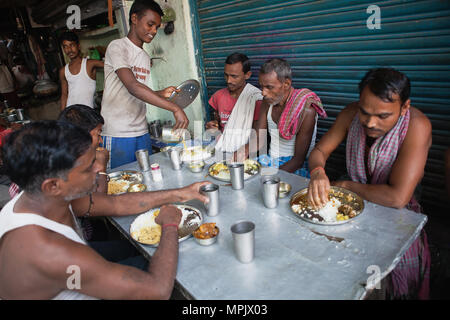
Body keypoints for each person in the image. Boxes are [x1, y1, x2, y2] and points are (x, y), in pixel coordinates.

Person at [0, 121, 209, 299]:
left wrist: (181, 193)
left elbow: (116, 204)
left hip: (75, 276)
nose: (99, 169)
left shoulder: (45, 197)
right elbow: (157, 291)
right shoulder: (46, 250)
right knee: (183, 270)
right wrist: (171, 224)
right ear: (53, 185)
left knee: (136, 250)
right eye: (88, 167)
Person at [307, 68, 432, 299]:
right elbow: (319, 151)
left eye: (383, 116)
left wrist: (345, 186)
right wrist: (316, 172)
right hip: (352, 202)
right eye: (365, 113)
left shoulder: (417, 126)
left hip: (397, 213)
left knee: (391, 275)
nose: (370, 123)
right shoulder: (350, 114)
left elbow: (397, 198)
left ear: (404, 107)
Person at [101, 0, 189, 169]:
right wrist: (175, 108)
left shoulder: (144, 57)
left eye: (157, 27)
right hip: (118, 132)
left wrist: (159, 93)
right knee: (120, 184)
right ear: (134, 18)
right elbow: (133, 87)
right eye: (150, 25)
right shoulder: (118, 47)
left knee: (145, 178)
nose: (154, 31)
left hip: (141, 131)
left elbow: (138, 92)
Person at [253, 58, 327, 177]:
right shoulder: (266, 102)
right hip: (271, 161)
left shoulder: (306, 110)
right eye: (261, 87)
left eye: (269, 87)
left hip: (294, 167)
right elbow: (258, 140)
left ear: (286, 84)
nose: (263, 92)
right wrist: (241, 152)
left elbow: (298, 161)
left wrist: (269, 176)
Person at [206, 53, 264, 161]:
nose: (229, 81)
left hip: (246, 153)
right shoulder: (218, 96)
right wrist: (212, 127)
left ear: (247, 75)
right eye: (226, 75)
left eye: (234, 76)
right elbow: (217, 123)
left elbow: (257, 135)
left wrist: (244, 151)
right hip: (222, 148)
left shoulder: (256, 99)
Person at [58, 104, 109, 194]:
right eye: (98, 134)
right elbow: (98, 202)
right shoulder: (68, 166)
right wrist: (101, 167)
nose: (101, 141)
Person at [59, 32, 104, 110]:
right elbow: (64, 95)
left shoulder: (90, 64)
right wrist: (62, 116)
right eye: (65, 47)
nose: (69, 50)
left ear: (78, 46)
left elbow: (112, 66)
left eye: (72, 45)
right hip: (70, 113)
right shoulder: (63, 71)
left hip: (87, 114)